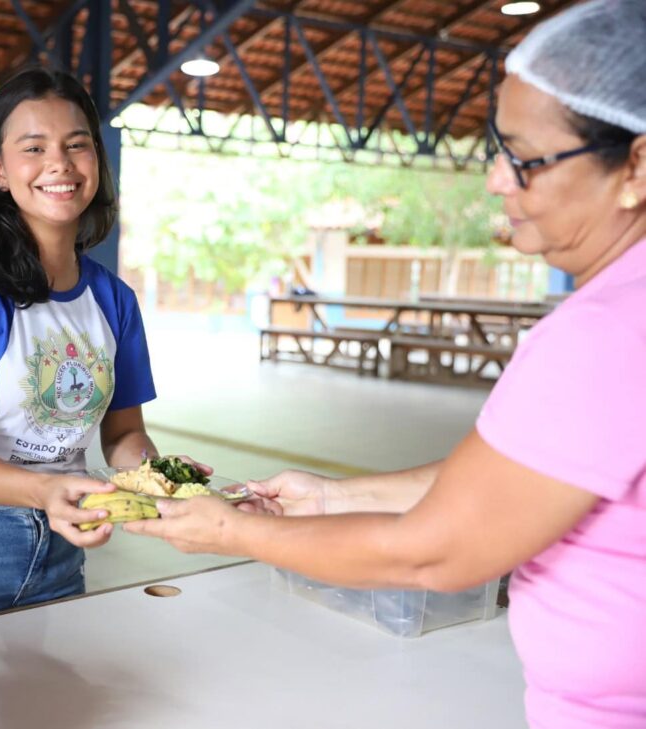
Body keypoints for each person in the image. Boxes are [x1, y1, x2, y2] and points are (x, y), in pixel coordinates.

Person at [124, 2, 646, 727]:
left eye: (524, 158)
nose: (496, 180)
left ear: (637, 163)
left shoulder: (607, 331)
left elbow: (434, 555)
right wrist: (335, 498)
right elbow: (517, 475)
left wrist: (231, 531)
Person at [0, 67, 192, 630]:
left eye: (77, 145)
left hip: (60, 536)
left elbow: (124, 435)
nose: (60, 163)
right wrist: (46, 492)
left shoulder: (114, 300)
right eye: (34, 147)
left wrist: (159, 476)